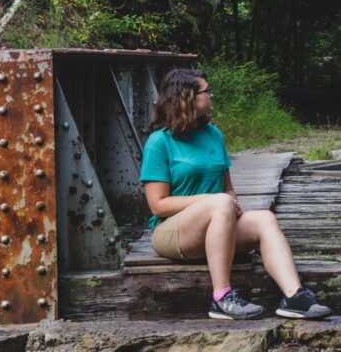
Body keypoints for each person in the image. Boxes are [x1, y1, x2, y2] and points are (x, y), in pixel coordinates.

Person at [140, 68, 330, 320]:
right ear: (185, 97)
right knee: (219, 203)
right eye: (206, 91)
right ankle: (222, 297)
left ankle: (294, 297)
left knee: (264, 218)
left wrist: (231, 204)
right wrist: (213, 201)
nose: (211, 96)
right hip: (172, 232)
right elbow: (158, 205)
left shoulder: (213, 134)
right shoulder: (159, 142)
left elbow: (227, 186)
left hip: (215, 223)